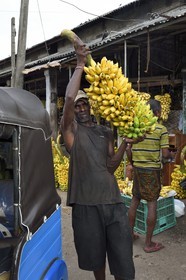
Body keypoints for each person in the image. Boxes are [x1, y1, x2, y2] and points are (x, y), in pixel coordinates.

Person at [60, 38, 144, 280]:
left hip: (114, 203)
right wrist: (79, 64)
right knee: (95, 258)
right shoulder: (71, 131)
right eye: (78, 106)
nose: (81, 108)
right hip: (86, 205)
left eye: (85, 104)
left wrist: (124, 145)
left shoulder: (106, 131)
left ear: (91, 107)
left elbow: (110, 166)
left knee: (122, 257)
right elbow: (68, 100)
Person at [126, 99, 176, 253]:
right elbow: (165, 154)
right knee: (152, 203)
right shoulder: (160, 129)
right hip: (152, 172)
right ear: (158, 113)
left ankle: (129, 236)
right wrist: (171, 156)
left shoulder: (137, 128)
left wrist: (132, 162)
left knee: (135, 200)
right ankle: (148, 243)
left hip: (138, 170)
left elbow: (128, 149)